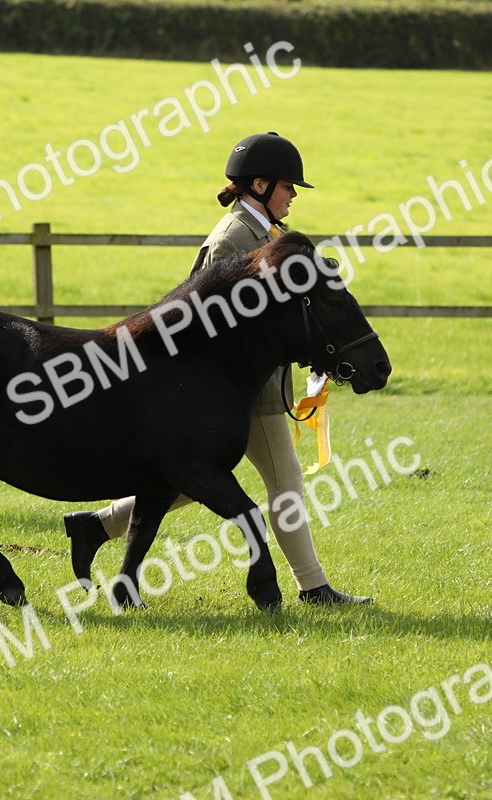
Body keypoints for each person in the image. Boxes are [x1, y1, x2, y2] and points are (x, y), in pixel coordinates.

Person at [63, 132, 372, 605]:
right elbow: (208, 316)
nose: (293, 195)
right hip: (242, 390)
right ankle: (313, 587)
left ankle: (96, 526)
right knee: (284, 481)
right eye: (288, 186)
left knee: (192, 478)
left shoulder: (270, 234)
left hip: (256, 382)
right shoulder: (232, 240)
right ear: (260, 185)